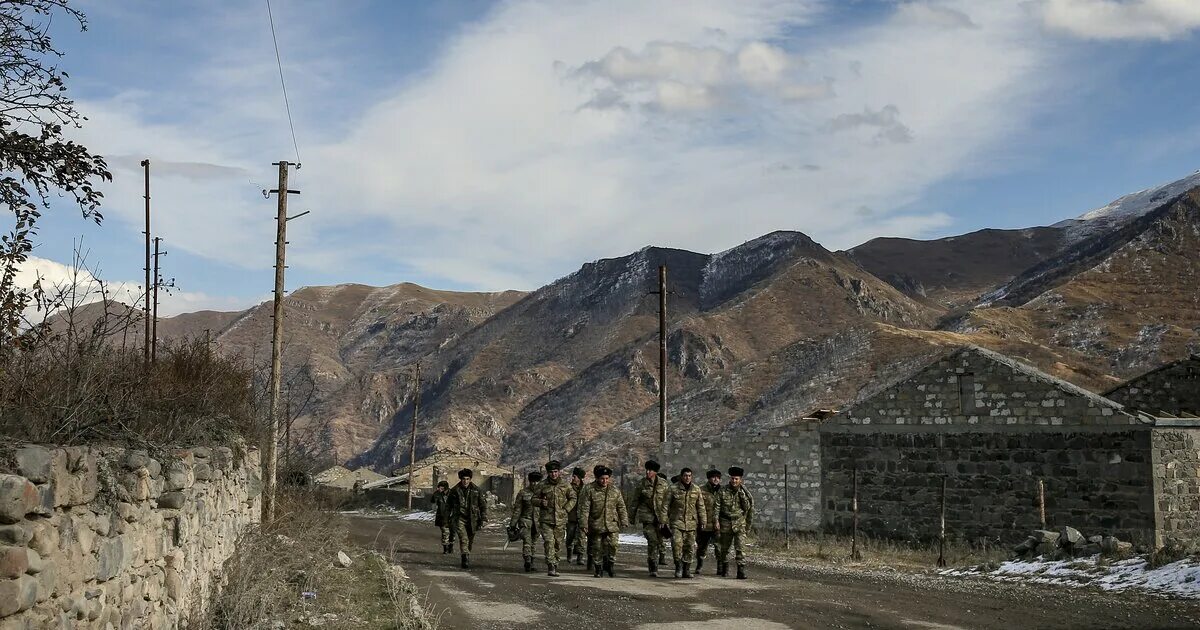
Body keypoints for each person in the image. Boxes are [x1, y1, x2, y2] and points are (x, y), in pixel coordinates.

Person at [578, 465, 628, 577]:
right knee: (597, 548)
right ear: (597, 478)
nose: (604, 481)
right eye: (602, 478)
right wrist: (584, 523)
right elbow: (585, 508)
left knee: (613, 545)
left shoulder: (614, 490)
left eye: (606, 478)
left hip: (612, 524)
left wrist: (624, 520)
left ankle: (610, 565)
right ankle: (598, 568)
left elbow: (621, 506)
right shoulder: (590, 490)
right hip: (596, 524)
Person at [536, 460, 577, 577]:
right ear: (548, 473)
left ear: (559, 472)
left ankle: (556, 562)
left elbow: (573, 498)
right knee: (549, 542)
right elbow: (533, 499)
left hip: (560, 520)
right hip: (546, 520)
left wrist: (566, 509)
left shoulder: (565, 485)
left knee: (558, 544)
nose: (553, 474)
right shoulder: (542, 485)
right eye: (551, 472)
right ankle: (551, 565)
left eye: (555, 472)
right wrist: (540, 502)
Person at [629, 460, 670, 577]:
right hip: (647, 518)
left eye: (650, 470)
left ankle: (658, 561)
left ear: (655, 472)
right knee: (652, 541)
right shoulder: (641, 484)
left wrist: (668, 517)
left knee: (660, 541)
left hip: (661, 518)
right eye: (646, 470)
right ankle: (653, 567)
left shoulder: (664, 484)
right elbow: (634, 501)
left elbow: (668, 502)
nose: (647, 472)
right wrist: (631, 517)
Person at [715, 466, 755, 579]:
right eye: (732, 478)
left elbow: (748, 509)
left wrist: (748, 526)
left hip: (739, 523)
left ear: (740, 480)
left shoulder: (745, 492)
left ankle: (741, 570)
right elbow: (717, 507)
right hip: (725, 522)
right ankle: (725, 567)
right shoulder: (723, 490)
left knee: (740, 548)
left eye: (736, 479)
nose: (734, 481)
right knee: (724, 548)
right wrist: (716, 521)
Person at [668, 468, 707, 578]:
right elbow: (665, 505)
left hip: (691, 523)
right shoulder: (673, 488)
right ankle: (678, 567)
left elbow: (700, 506)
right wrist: (663, 520)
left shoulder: (696, 489)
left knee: (689, 547)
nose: (687, 478)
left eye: (689, 476)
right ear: (681, 476)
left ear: (692, 477)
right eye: (685, 475)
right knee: (677, 546)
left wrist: (703, 520)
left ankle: (687, 569)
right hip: (677, 522)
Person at [447, 468, 487, 569]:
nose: (465, 481)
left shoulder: (476, 490)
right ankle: (465, 557)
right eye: (464, 479)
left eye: (467, 479)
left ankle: (467, 552)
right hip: (459, 518)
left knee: (470, 539)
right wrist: (447, 518)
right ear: (461, 479)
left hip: (472, 519)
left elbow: (482, 505)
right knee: (463, 538)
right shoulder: (455, 491)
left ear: (470, 479)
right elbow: (448, 506)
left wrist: (483, 518)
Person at [509, 471, 543, 572]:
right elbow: (517, 510)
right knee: (527, 541)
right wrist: (512, 524)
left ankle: (531, 560)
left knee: (533, 542)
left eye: (537, 482)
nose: (534, 484)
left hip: (537, 522)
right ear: (529, 482)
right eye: (532, 481)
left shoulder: (543, 494)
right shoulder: (523, 493)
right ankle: (527, 560)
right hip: (525, 521)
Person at [695, 469, 721, 573]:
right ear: (709, 478)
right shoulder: (701, 490)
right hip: (704, 524)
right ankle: (699, 565)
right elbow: (697, 507)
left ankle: (720, 567)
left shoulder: (722, 491)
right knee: (702, 547)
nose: (716, 479)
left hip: (717, 524)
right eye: (713, 477)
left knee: (719, 547)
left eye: (718, 477)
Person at [566, 467, 587, 565]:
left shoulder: (585, 489)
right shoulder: (568, 488)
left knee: (581, 537)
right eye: (573, 476)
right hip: (571, 516)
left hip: (582, 516)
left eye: (575, 476)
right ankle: (569, 553)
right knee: (570, 536)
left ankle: (580, 556)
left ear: (579, 478)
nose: (573, 478)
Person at [430, 480, 455, 554]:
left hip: (452, 516)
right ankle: (445, 548)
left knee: (452, 533)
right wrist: (436, 493)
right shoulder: (438, 494)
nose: (439, 489)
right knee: (445, 532)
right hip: (442, 516)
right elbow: (432, 501)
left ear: (445, 488)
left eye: (441, 487)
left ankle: (451, 546)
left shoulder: (453, 494)